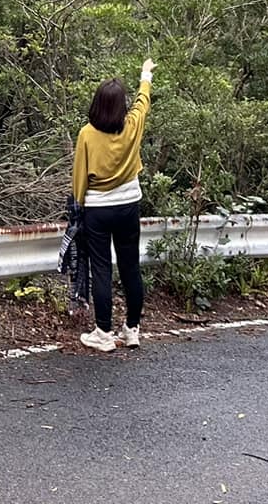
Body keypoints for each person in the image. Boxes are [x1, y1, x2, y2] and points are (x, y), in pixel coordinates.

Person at [70, 58, 154, 352]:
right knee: (131, 267)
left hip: (98, 210)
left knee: (102, 269)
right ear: (121, 107)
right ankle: (132, 330)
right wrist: (145, 74)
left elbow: (79, 176)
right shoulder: (131, 126)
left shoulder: (87, 134)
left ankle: (103, 334)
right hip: (129, 205)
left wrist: (77, 206)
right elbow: (143, 102)